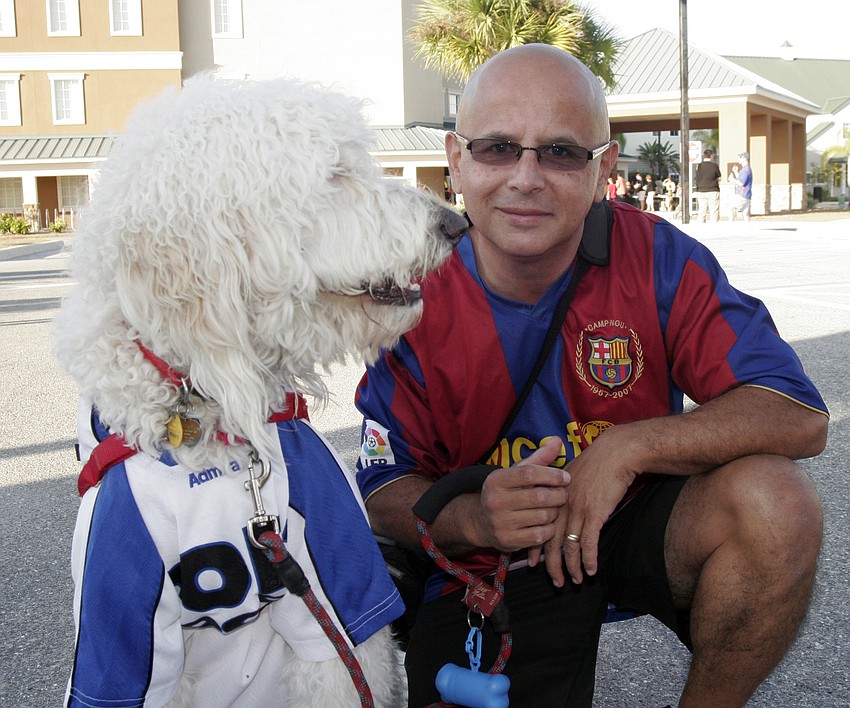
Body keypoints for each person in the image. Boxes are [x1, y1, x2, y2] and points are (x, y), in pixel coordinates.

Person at [355, 44, 827, 707]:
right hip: (495, 555)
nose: (526, 177)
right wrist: (475, 516)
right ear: (456, 159)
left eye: (559, 152)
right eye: (497, 148)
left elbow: (797, 411)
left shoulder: (660, 257)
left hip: (633, 520)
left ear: (603, 166)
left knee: (776, 503)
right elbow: (383, 486)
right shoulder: (412, 293)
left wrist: (628, 448)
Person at [694, 148, 722, 222]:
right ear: (711, 156)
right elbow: (719, 177)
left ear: (704, 156)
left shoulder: (698, 166)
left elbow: (697, 177)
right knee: (714, 210)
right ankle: (714, 226)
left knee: (702, 210)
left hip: (701, 190)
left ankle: (701, 226)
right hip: (713, 190)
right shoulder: (714, 166)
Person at [731, 151, 753, 221]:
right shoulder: (746, 169)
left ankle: (729, 225)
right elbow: (741, 179)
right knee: (745, 213)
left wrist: (732, 179)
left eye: (740, 158)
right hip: (747, 194)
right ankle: (748, 228)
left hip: (742, 194)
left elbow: (741, 183)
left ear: (744, 158)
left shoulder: (745, 170)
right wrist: (735, 172)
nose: (739, 160)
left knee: (732, 208)